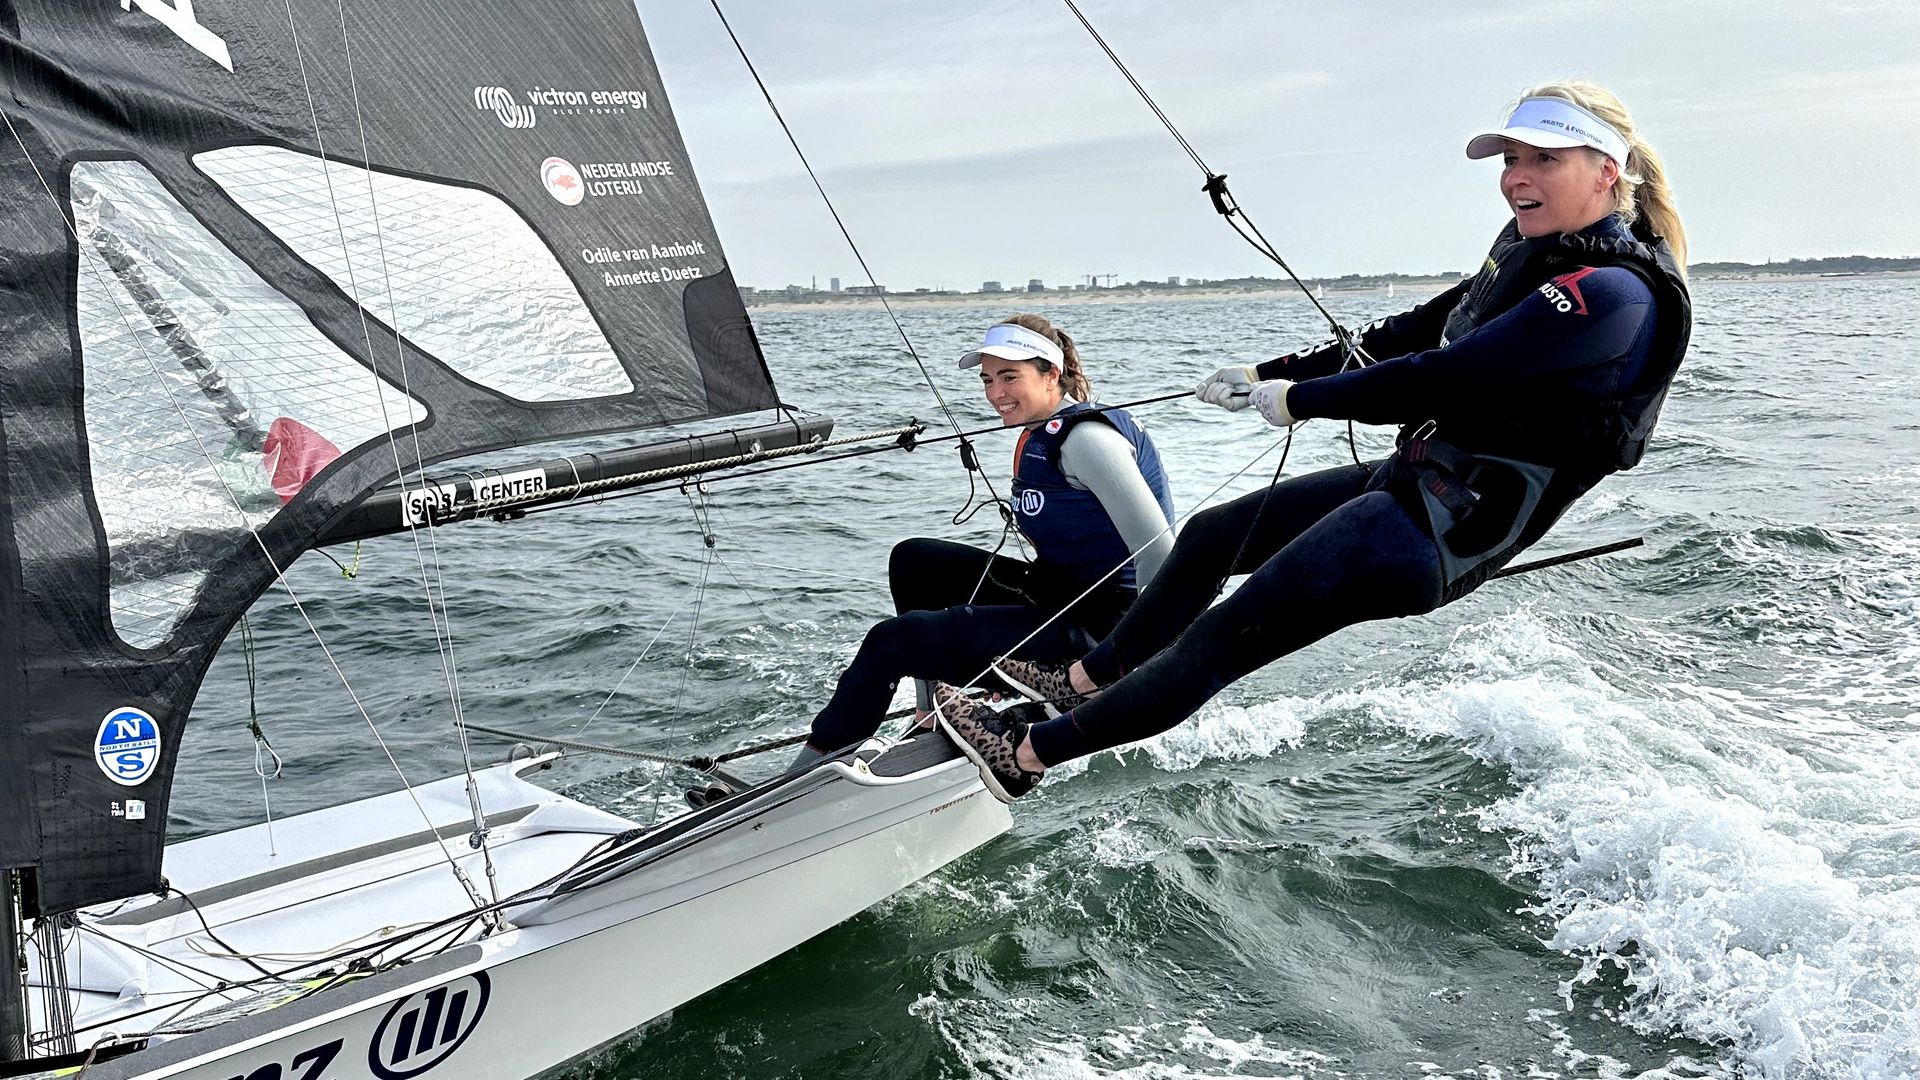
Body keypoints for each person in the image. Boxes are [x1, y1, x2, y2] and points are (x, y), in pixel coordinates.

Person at [936, 80, 1693, 802]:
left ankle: (1025, 752)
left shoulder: (1611, 296)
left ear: (1608, 169)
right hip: (1416, 480)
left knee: (1219, 641)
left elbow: (1442, 374)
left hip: (1438, 532)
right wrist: (1266, 372)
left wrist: (1299, 401)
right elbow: (1408, 333)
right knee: (1212, 535)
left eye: (1542, 160)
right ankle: (1073, 680)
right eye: (1510, 160)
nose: (1515, 178)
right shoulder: (1536, 253)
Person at [791, 313, 1177, 768]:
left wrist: (1129, 668)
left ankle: (808, 770)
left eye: (1010, 377)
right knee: (915, 561)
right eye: (988, 379)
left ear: (1052, 374)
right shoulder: (1042, 434)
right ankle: (931, 712)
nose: (995, 393)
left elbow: (1165, 558)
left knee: (890, 642)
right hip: (1060, 595)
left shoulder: (1087, 440)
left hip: (1101, 632)